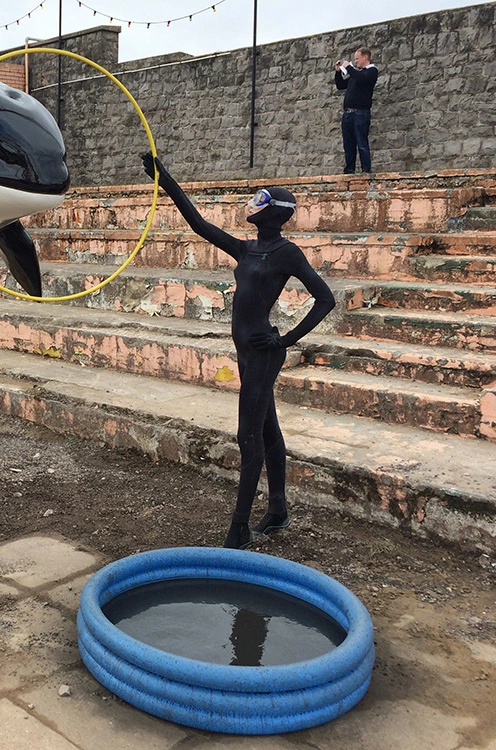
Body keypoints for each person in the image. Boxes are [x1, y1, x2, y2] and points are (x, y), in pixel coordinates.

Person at [141, 153, 335, 549]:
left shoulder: (287, 254)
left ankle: (238, 529)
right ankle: (277, 508)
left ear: (276, 214)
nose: (253, 206)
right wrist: (165, 177)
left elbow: (325, 299)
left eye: (261, 201)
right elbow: (198, 224)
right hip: (246, 353)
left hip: (264, 353)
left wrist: (286, 339)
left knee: (248, 436)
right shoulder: (246, 250)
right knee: (267, 430)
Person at [334, 47, 379, 174]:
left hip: (360, 113)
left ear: (366, 57)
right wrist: (338, 72)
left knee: (361, 143)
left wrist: (349, 67)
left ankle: (366, 170)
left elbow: (361, 78)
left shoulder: (371, 72)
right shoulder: (356, 74)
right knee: (348, 145)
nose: (356, 61)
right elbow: (340, 85)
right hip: (348, 113)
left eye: (357, 58)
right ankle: (349, 170)